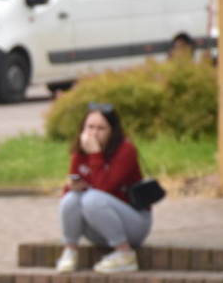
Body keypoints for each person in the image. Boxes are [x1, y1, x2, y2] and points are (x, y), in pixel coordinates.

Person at [55, 102, 153, 274]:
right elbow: (69, 193)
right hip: (101, 227)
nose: (93, 133)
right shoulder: (80, 150)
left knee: (91, 198)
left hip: (135, 223)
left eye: (101, 128)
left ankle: (125, 255)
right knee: (71, 199)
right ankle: (70, 251)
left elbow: (104, 188)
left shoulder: (125, 150)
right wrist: (72, 186)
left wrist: (95, 154)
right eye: (90, 127)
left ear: (112, 131)